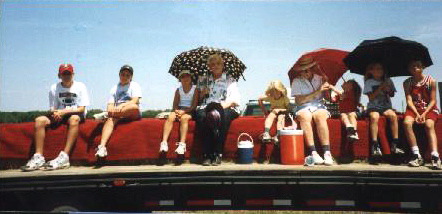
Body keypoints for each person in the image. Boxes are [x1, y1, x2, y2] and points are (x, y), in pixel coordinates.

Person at [21, 64, 90, 171]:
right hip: (59, 113)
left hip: (75, 111)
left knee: (74, 119)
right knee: (39, 120)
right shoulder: (54, 87)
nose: (67, 76)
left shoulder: (80, 86)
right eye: (64, 74)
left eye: (69, 74)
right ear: (59, 75)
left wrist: (63, 112)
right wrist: (56, 113)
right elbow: (52, 108)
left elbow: (81, 109)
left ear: (73, 74)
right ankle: (38, 157)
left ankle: (64, 157)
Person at [291, 57, 342, 166]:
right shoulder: (296, 81)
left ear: (312, 68)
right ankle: (313, 152)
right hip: (302, 107)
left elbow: (329, 99)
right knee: (305, 116)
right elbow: (299, 101)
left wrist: (329, 90)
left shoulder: (321, 78)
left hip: (319, 106)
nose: (304, 73)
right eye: (302, 70)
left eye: (307, 70)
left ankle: (327, 153)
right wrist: (318, 91)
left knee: (320, 116)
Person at [196, 54, 240, 166]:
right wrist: (202, 93)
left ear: (223, 65)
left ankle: (217, 153)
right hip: (207, 106)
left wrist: (218, 108)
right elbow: (197, 100)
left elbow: (234, 100)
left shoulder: (230, 80)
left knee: (222, 117)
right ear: (209, 66)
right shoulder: (203, 79)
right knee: (201, 116)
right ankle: (206, 154)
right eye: (212, 64)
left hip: (226, 106)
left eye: (218, 64)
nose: (215, 66)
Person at [94, 65, 142, 158]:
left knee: (134, 106)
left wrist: (121, 106)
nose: (125, 77)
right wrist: (111, 110)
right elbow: (110, 105)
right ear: (119, 75)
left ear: (131, 77)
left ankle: (106, 115)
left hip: (131, 112)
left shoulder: (134, 85)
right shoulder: (114, 88)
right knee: (110, 120)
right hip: (118, 113)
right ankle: (102, 147)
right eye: (123, 74)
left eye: (128, 75)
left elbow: (135, 100)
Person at [403, 60, 441, 169]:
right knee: (406, 123)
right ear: (409, 69)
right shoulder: (407, 82)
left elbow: (433, 101)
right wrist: (417, 114)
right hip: (414, 108)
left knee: (429, 125)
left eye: (418, 66)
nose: (415, 68)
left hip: (429, 108)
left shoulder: (431, 81)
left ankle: (435, 156)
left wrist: (424, 113)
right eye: (412, 66)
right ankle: (416, 154)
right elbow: (409, 100)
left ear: (423, 67)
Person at [363, 62, 404, 160]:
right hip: (374, 106)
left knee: (393, 116)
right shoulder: (369, 82)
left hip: (386, 106)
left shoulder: (388, 80)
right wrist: (380, 87)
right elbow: (371, 97)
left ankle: (395, 143)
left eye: (380, 69)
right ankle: (375, 144)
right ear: (371, 71)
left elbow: (392, 94)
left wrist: (388, 90)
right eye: (376, 69)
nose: (379, 71)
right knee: (374, 116)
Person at [159, 70, 199, 155]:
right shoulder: (178, 90)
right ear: (180, 79)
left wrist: (184, 111)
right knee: (170, 117)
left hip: (190, 110)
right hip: (179, 109)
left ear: (191, 78)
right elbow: (175, 105)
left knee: (184, 119)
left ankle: (182, 144)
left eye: (187, 76)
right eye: (183, 77)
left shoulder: (195, 89)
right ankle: (164, 142)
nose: (185, 78)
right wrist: (177, 111)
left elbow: (194, 106)